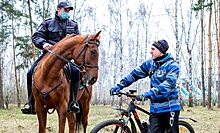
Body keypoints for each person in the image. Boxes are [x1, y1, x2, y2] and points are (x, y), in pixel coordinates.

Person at [21, 1, 81, 114]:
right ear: (58, 9)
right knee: (30, 72)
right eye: (65, 10)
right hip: (48, 55)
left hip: (65, 58)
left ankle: (73, 102)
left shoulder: (73, 25)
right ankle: (30, 103)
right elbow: (36, 36)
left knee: (76, 72)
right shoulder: (48, 23)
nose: (67, 12)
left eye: (68, 10)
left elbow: (78, 40)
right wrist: (43, 44)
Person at [111, 39, 181, 133]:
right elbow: (134, 75)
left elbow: (169, 84)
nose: (150, 51)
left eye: (153, 49)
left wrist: (149, 93)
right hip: (155, 109)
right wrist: (120, 85)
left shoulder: (172, 65)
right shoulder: (150, 63)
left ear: (161, 51)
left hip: (170, 108)